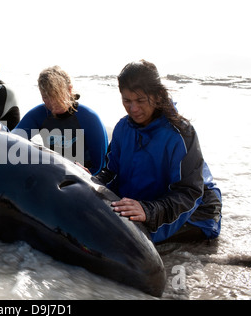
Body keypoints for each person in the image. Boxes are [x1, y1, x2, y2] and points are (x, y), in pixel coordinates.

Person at [95, 59, 222, 243]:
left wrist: (149, 211)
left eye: (140, 100)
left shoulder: (181, 134)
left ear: (157, 96)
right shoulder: (123, 127)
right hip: (151, 200)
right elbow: (112, 174)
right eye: (126, 100)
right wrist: (89, 181)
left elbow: (189, 193)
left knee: (127, 245)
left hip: (198, 211)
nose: (133, 108)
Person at [0, 66, 108, 176]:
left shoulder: (89, 118)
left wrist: (86, 176)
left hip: (85, 178)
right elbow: (14, 139)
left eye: (56, 95)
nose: (52, 102)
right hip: (59, 173)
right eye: (46, 97)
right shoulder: (39, 114)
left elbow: (100, 168)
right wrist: (1, 129)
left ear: (69, 90)